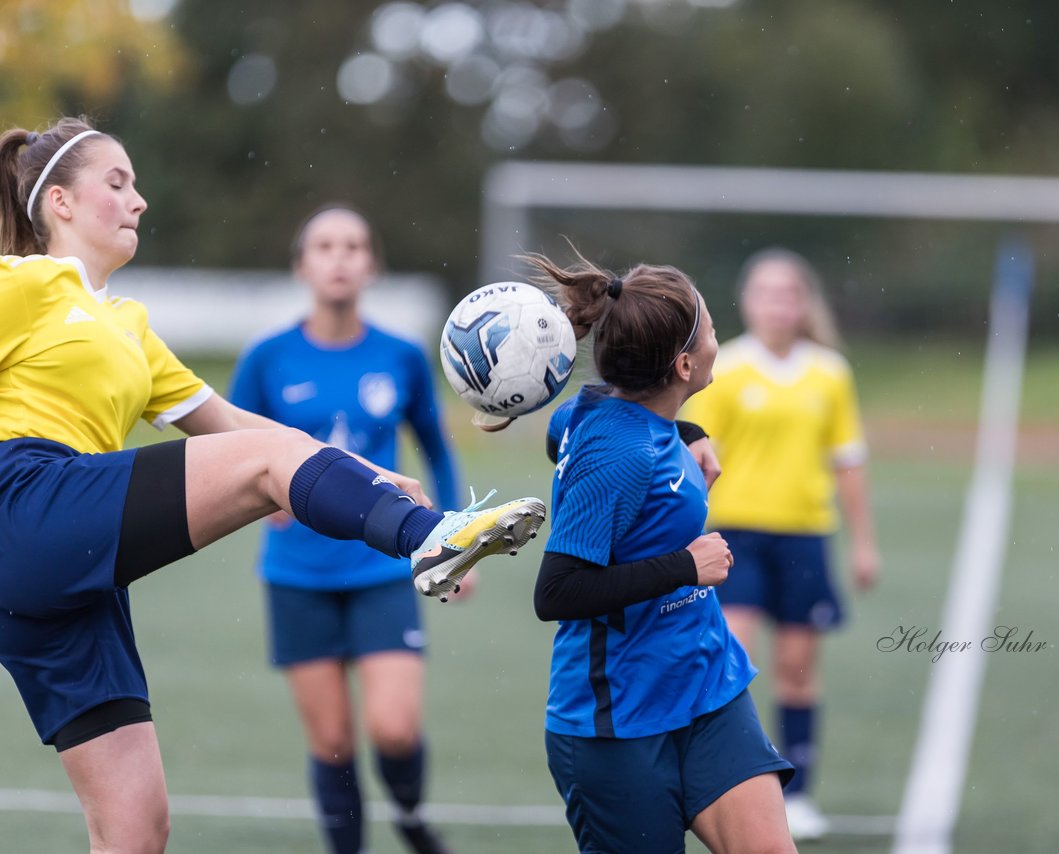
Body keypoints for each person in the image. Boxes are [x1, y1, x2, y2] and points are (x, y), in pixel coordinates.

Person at [0, 117, 543, 854]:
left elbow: (240, 426)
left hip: (68, 575)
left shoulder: (127, 325)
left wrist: (372, 474)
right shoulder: (25, 282)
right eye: (118, 183)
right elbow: (264, 457)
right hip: (27, 503)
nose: (140, 201)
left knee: (135, 828)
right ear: (59, 203)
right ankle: (432, 542)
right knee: (266, 468)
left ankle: (424, 529)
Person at [529, 250, 798, 854]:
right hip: (617, 719)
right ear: (682, 364)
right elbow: (557, 594)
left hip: (707, 686)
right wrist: (686, 565)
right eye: (708, 326)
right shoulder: (619, 455)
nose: (716, 335)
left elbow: (568, 425)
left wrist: (684, 433)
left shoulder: (614, 419)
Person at [229, 205, 461, 854]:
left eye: (354, 245)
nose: (339, 257)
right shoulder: (267, 359)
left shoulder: (402, 356)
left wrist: (455, 538)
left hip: (381, 568)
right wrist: (257, 494)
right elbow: (225, 443)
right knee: (331, 741)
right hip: (297, 574)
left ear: (371, 265)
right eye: (325, 245)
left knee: (393, 729)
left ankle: (411, 816)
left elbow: (436, 449)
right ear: (303, 265)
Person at [681, 247, 882, 841]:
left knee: (797, 669)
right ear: (747, 303)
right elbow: (692, 452)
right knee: (736, 662)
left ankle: (799, 793)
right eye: (766, 294)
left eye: (788, 294)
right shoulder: (726, 368)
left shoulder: (829, 372)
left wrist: (863, 543)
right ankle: (731, 786)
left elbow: (848, 462)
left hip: (805, 536)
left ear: (804, 303)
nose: (778, 305)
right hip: (736, 534)